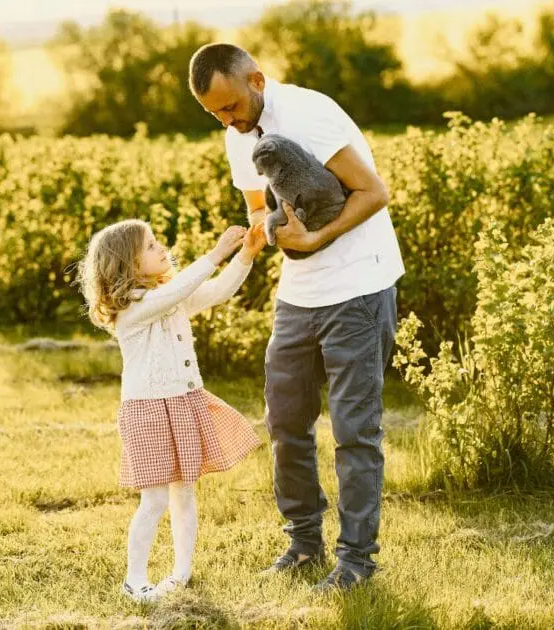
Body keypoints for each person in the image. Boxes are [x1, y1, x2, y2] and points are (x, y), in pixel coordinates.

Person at [188, 43, 405, 591]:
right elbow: (259, 208)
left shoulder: (310, 113)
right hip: (299, 293)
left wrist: (315, 236)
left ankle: (356, 560)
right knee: (285, 422)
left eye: (232, 107)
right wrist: (256, 236)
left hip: (358, 285)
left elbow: (373, 191)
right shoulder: (237, 137)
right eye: (215, 114)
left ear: (257, 80)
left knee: (355, 429)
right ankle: (304, 545)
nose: (229, 121)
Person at [77, 219, 267, 602]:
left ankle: (181, 572)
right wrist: (215, 253)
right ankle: (135, 580)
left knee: (185, 492)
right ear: (126, 265)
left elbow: (214, 292)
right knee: (156, 499)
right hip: (147, 410)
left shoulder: (168, 293)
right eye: (150, 246)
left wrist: (246, 255)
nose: (161, 248)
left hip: (183, 401)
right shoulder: (132, 307)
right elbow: (181, 288)